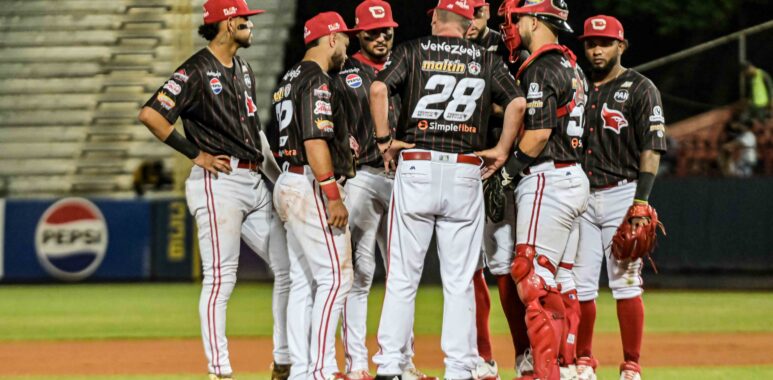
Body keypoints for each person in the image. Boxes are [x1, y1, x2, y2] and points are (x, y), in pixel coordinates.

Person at [370, 0, 526, 378]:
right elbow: (519, 103)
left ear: (438, 19)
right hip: (464, 170)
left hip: (419, 165)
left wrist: (383, 140)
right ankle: (459, 367)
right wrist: (502, 151)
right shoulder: (484, 58)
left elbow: (377, 90)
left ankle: (390, 365)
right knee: (459, 280)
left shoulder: (413, 50)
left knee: (403, 276)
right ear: (467, 23)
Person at [137, 1, 290, 379]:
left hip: (254, 180)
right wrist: (196, 153)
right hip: (218, 183)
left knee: (289, 268)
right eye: (244, 19)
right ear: (225, 23)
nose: (250, 25)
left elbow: (257, 135)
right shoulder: (195, 70)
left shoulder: (243, 68)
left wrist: (278, 179)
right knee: (222, 278)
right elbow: (151, 114)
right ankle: (220, 371)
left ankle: (285, 360)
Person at [331, 2, 431, 379]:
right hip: (361, 177)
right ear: (358, 33)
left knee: (403, 274)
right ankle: (356, 364)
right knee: (357, 273)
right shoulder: (344, 70)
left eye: (386, 30)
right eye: (372, 31)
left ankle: (402, 362)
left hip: (405, 176)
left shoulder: (405, 65)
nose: (380, 37)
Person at [570, 15, 668, 380]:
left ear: (621, 46)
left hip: (622, 193)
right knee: (579, 285)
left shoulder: (642, 88)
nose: (596, 49)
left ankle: (630, 365)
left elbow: (652, 148)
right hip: (579, 193)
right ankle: (583, 360)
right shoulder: (576, 85)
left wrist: (640, 202)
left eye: (605, 42)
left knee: (625, 282)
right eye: (591, 43)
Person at [497, 0, 589, 379]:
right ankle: (566, 368)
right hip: (574, 177)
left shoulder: (540, 66)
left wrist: (509, 172)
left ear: (535, 20)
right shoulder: (572, 65)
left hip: (547, 178)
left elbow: (538, 134)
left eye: (519, 18)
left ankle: (544, 373)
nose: (514, 25)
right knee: (562, 280)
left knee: (531, 277)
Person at [270, 11, 358, 380]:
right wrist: (332, 193)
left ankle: (303, 370)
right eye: (345, 40)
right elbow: (313, 139)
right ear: (332, 38)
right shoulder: (317, 79)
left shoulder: (288, 77)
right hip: (308, 183)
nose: (348, 47)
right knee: (337, 279)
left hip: (288, 182)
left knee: (305, 281)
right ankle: (321, 369)